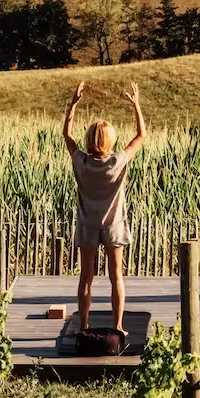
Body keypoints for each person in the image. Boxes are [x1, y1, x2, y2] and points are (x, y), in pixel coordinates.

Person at [63, 81, 146, 333]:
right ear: (110, 140)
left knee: (86, 278)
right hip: (114, 225)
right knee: (116, 276)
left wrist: (73, 105)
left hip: (88, 225)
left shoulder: (81, 161)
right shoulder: (117, 161)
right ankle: (118, 325)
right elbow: (140, 136)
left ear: (89, 139)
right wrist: (136, 105)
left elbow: (67, 135)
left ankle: (84, 325)